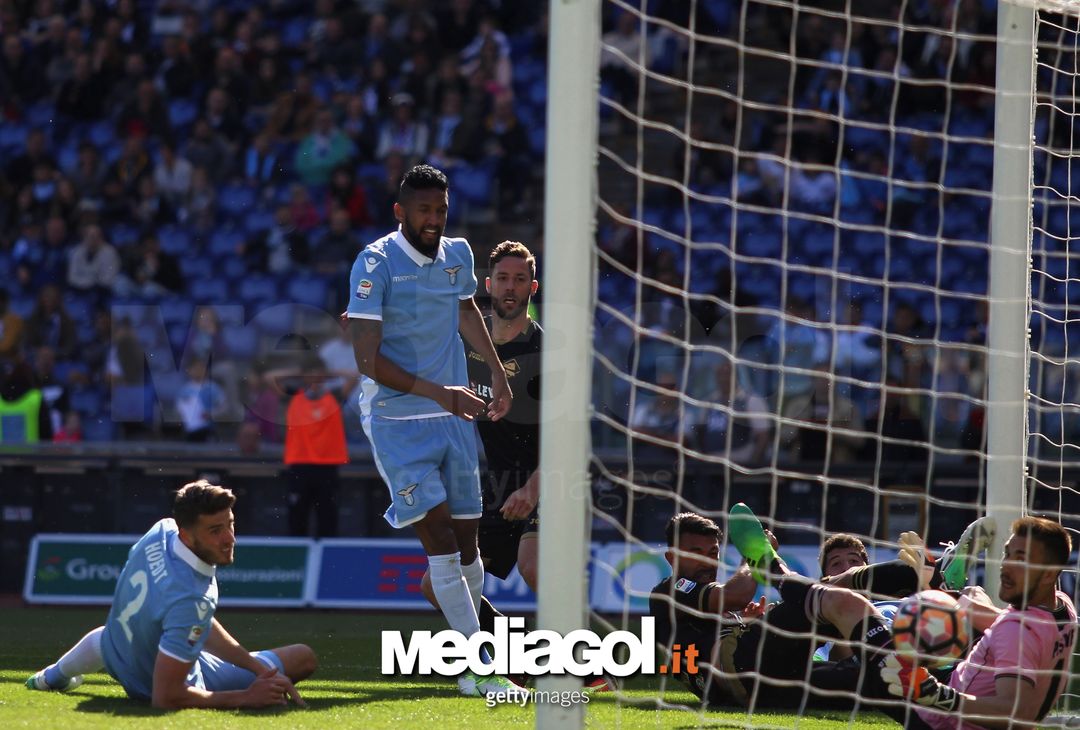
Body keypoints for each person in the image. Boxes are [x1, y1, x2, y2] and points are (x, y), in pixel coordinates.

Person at [347, 164, 524, 699]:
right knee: (441, 541)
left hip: (454, 418)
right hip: (397, 421)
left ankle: (473, 662)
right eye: (423, 210)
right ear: (400, 211)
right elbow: (368, 360)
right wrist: (442, 392)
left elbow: (466, 307)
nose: (434, 219)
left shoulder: (460, 254)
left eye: (441, 210)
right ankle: (480, 667)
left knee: (470, 546)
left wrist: (494, 370)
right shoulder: (374, 262)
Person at [26, 480, 317, 708]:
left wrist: (257, 669)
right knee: (304, 658)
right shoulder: (192, 597)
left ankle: (50, 677)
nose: (229, 538)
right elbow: (165, 698)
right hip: (154, 684)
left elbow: (186, 615)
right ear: (187, 536)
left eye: (230, 523)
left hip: (117, 652)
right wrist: (246, 698)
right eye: (215, 530)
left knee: (110, 634)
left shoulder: (162, 529)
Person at [650, 509, 897, 711]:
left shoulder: (705, 607)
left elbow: (716, 623)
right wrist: (751, 557)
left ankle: (925, 677)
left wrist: (746, 622)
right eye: (696, 553)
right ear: (672, 558)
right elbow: (736, 594)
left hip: (767, 690)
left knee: (873, 683)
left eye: (713, 553)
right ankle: (774, 567)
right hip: (742, 666)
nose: (708, 561)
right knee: (822, 602)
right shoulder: (669, 590)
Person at [882, 516, 1078, 730]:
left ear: (1049, 574)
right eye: (1007, 553)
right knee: (975, 592)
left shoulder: (1015, 630)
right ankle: (938, 584)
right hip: (961, 674)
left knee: (848, 604)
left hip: (939, 719)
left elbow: (1015, 712)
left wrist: (936, 695)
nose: (1005, 566)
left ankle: (936, 583)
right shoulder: (1064, 606)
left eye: (1020, 559)